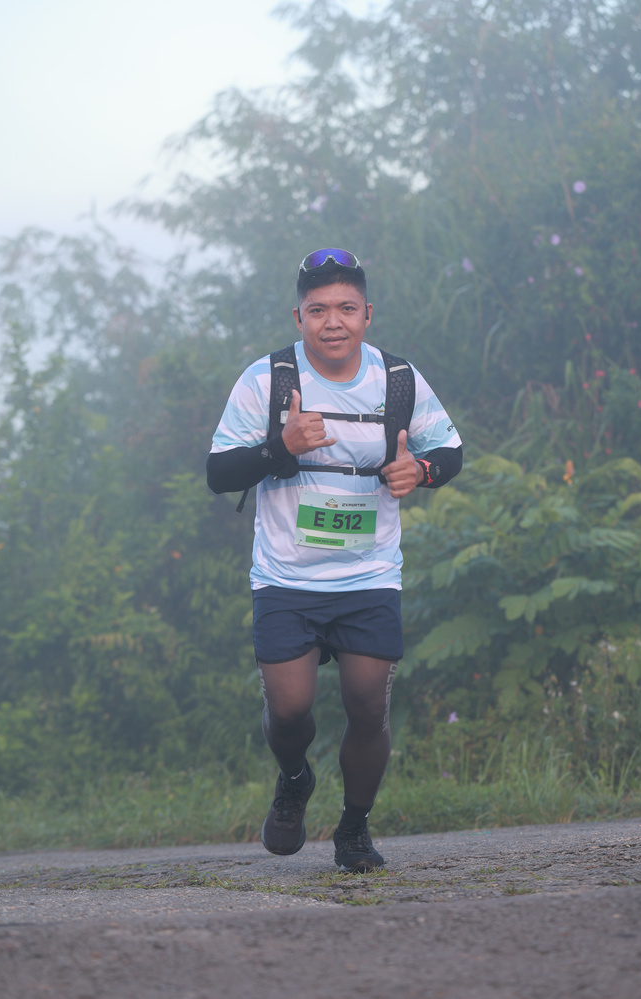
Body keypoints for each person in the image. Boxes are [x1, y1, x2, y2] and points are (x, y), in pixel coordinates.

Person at [207, 248, 462, 872]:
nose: (333, 322)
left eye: (346, 308)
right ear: (298, 318)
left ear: (367, 315)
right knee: (290, 710)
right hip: (285, 577)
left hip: (369, 575)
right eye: (317, 310)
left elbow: (449, 450)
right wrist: (280, 445)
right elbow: (219, 473)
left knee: (368, 705)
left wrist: (420, 471)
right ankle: (295, 778)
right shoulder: (266, 380)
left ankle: (353, 828)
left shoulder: (398, 380)